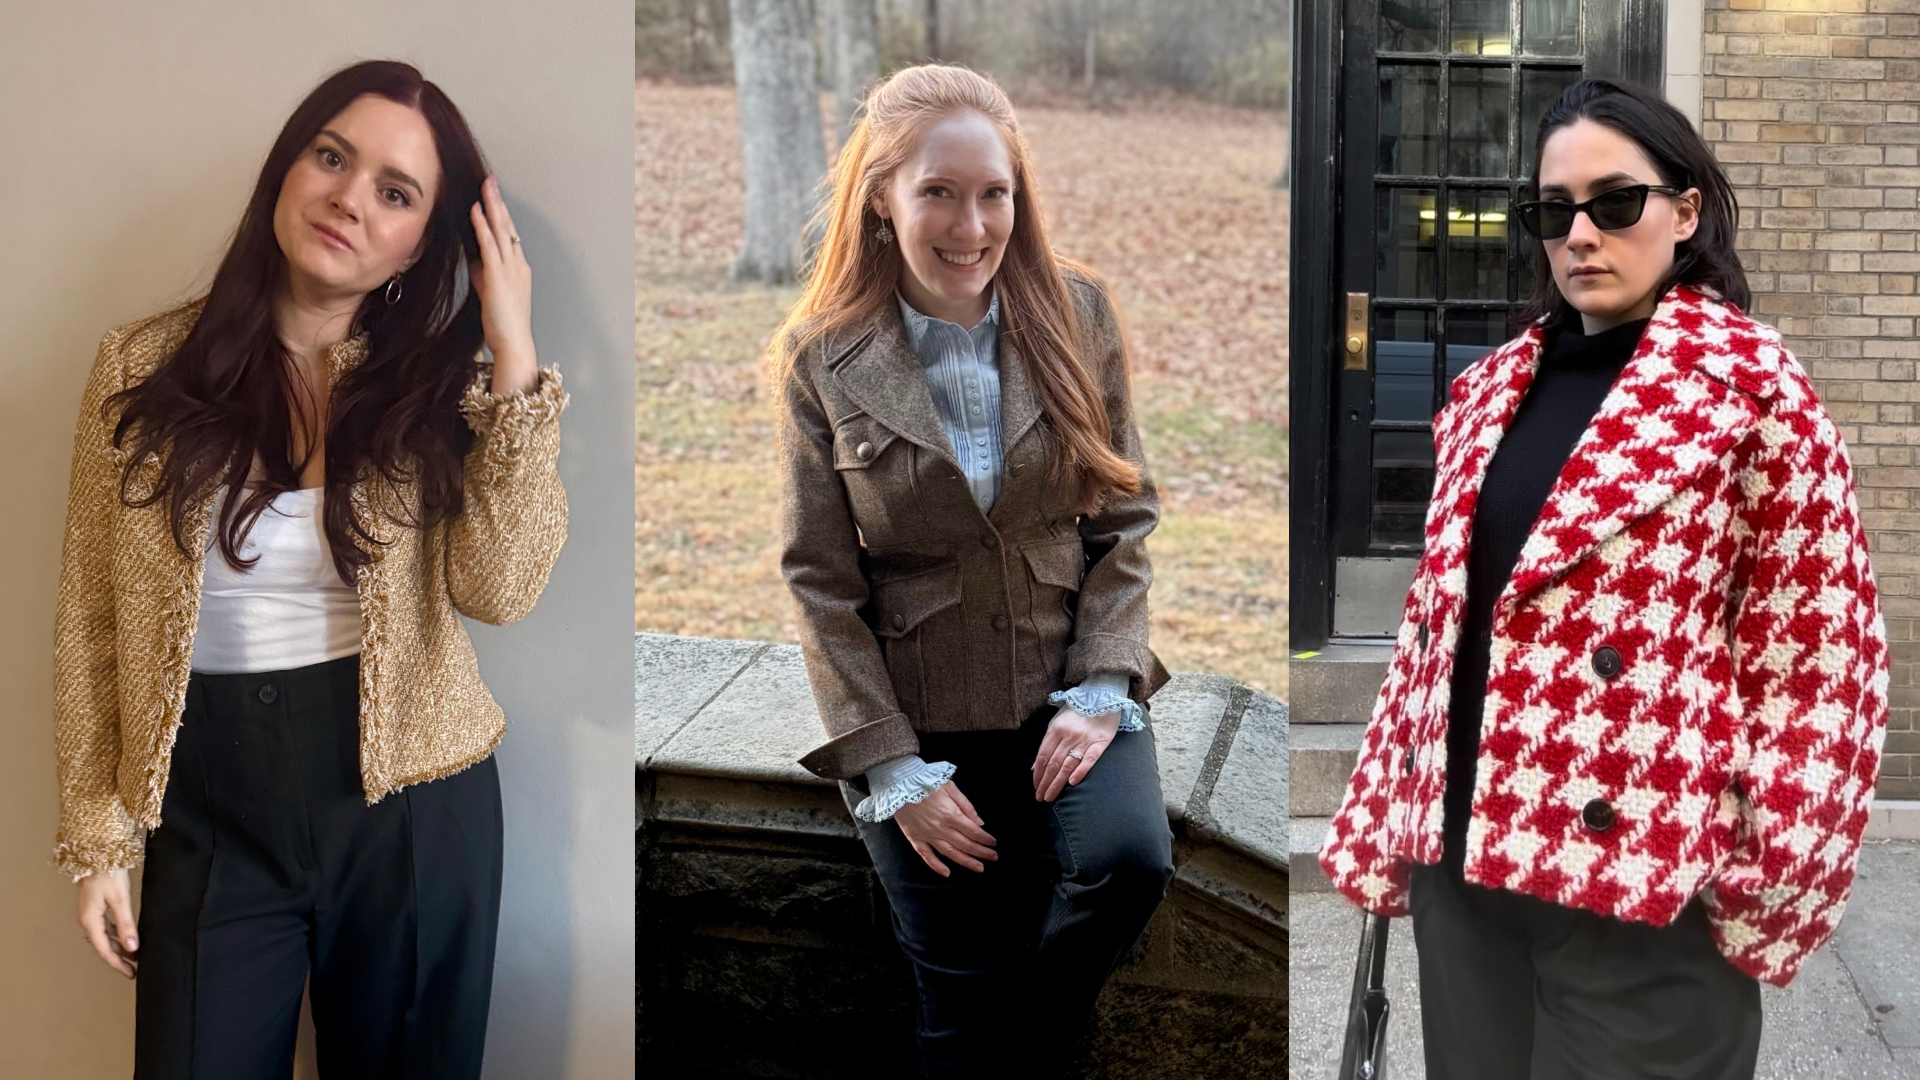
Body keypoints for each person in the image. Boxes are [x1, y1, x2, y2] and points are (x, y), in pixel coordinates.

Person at [1321, 77, 1891, 1080]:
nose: (1581, 233)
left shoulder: (1755, 395)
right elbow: (1433, 641)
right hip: (1467, 872)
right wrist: (1387, 814)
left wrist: (1762, 877)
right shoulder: (1490, 392)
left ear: (1684, 212)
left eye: (1615, 202)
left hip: (1643, 890)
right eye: (1554, 211)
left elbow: (1817, 663)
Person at [55, 60, 567, 1078]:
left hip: (415, 807)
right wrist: (98, 838)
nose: (348, 198)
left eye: (396, 190)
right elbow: (92, 620)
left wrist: (512, 361)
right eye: (331, 156)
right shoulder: (138, 366)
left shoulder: (444, 393)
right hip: (207, 805)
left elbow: (500, 591)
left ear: (426, 240)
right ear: (287, 168)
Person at [771, 63, 1177, 1076]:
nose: (972, 225)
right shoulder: (822, 357)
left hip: (1066, 691)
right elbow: (820, 580)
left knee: (1130, 863)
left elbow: (1124, 520)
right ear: (881, 198)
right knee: (954, 991)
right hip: (919, 716)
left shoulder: (1076, 313)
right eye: (938, 193)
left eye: (994, 192)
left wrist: (1099, 688)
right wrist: (893, 770)